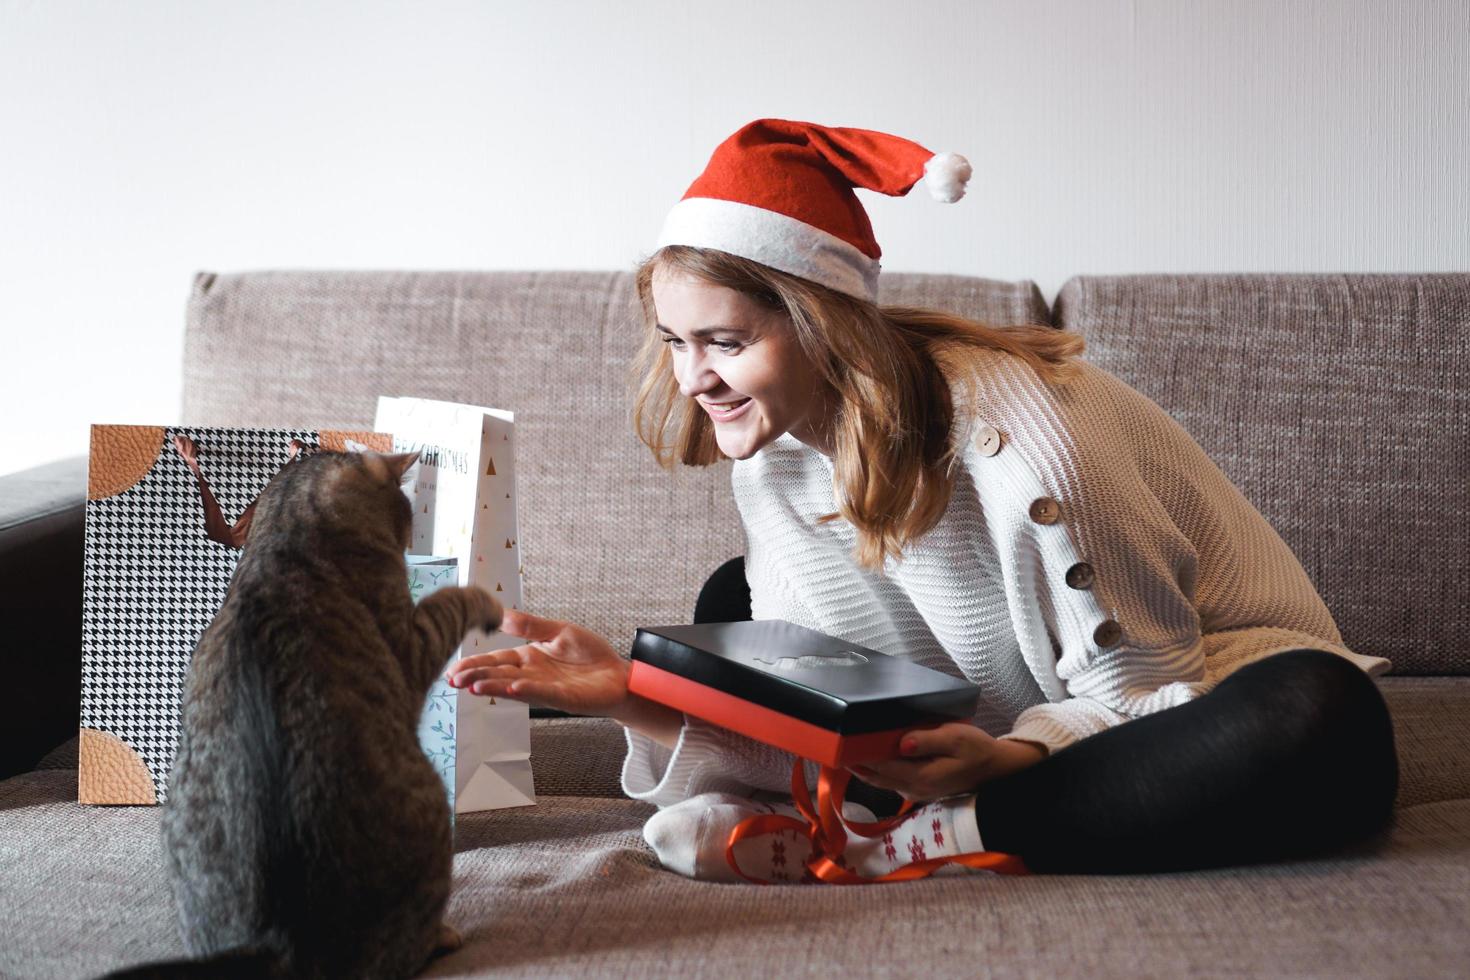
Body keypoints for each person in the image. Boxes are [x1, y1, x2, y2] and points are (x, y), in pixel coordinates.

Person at [446, 119, 1399, 880]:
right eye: (673, 340)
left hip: (1188, 692)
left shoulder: (1026, 442)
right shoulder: (771, 456)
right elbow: (839, 715)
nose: (694, 376)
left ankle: (918, 839)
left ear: (821, 325)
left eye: (725, 342)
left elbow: (1144, 681)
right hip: (989, 714)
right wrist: (636, 695)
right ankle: (900, 821)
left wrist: (1018, 759)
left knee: (1327, 712)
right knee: (731, 608)